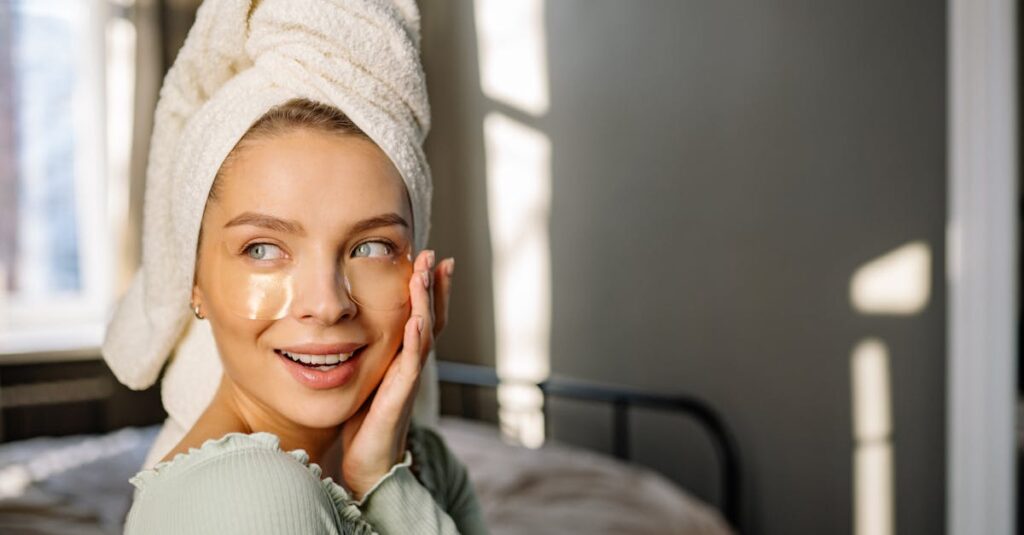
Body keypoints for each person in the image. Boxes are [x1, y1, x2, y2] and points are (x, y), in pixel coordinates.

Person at [101, 0, 488, 533]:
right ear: (193, 280)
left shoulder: (425, 462)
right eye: (262, 249)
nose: (328, 304)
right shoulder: (248, 496)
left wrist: (382, 476)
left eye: (371, 247)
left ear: (419, 272)